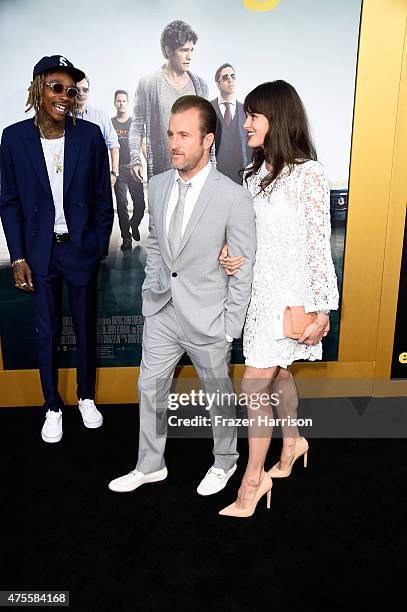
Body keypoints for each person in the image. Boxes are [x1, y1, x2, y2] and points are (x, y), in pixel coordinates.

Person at [108, 95, 256, 495]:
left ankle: (225, 462)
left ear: (207, 140)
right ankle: (150, 464)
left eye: (185, 135)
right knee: (149, 387)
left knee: (217, 396)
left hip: (210, 317)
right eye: (171, 134)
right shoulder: (157, 185)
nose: (174, 143)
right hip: (162, 311)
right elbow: (156, 245)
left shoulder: (233, 197)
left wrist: (230, 327)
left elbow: (243, 267)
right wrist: (150, 294)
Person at [219, 80, 339, 517]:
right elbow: (249, 240)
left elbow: (316, 244)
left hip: (290, 298)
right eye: (246, 114)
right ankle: (292, 443)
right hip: (257, 296)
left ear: (278, 118)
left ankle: (253, 480)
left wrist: (323, 308)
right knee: (279, 376)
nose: (246, 123)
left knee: (254, 385)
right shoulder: (252, 176)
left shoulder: (308, 173)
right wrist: (231, 255)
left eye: (254, 115)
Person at [0, 55, 114, 443]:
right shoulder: (13, 138)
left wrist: (98, 245)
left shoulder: (91, 135)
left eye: (71, 90)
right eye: (56, 87)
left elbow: (103, 196)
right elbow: (10, 201)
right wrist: (18, 256)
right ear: (38, 89)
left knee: (85, 328)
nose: (65, 96)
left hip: (80, 250)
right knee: (46, 332)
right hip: (38, 253)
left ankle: (85, 397)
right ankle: (52, 405)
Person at [129, 19, 210, 182]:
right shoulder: (148, 83)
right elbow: (137, 125)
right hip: (162, 171)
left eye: (192, 50)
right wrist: (135, 159)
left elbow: (208, 128)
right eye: (183, 50)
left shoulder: (200, 85)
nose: (189, 56)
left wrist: (212, 163)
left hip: (195, 171)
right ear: (168, 51)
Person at [112, 90, 145, 250]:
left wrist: (149, 164)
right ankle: (126, 237)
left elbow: (143, 143)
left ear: (128, 103)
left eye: (124, 101)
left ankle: (135, 223)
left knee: (140, 204)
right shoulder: (110, 123)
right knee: (122, 204)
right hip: (118, 169)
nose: (121, 104)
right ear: (114, 103)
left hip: (134, 168)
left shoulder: (135, 123)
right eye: (118, 101)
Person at [75, 75, 120, 188]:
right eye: (77, 90)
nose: (81, 93)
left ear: (89, 91)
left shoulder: (100, 116)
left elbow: (113, 144)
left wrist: (114, 173)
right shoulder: (64, 116)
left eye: (85, 89)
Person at [211, 63, 251, 184]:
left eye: (233, 76)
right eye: (225, 77)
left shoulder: (246, 110)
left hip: (241, 174)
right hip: (216, 173)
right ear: (218, 84)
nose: (230, 80)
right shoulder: (208, 108)